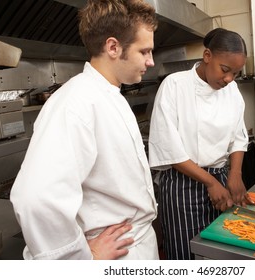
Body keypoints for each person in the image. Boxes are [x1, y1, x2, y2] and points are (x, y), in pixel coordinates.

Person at [10, 0, 159, 260]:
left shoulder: (109, 93)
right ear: (113, 47)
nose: (151, 62)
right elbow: (36, 199)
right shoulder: (75, 102)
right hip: (112, 255)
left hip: (134, 244)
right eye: (144, 52)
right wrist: (82, 258)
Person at [148, 28, 252, 260]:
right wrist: (210, 182)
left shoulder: (232, 90)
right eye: (225, 70)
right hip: (182, 185)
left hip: (221, 179)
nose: (228, 79)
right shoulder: (175, 85)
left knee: (222, 249)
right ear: (207, 56)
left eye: (235, 73)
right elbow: (169, 149)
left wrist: (235, 174)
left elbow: (238, 135)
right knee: (186, 252)